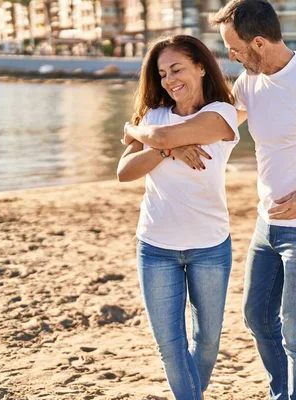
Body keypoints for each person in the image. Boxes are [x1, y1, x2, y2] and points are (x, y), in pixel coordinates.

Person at [127, 1, 296, 397]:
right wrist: (171, 144)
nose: (230, 56)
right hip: (268, 225)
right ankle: (282, 392)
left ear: (258, 42)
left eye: (235, 47)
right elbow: (215, 125)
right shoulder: (250, 83)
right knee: (257, 319)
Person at [116, 35, 239, 400]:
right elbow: (124, 171)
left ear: (201, 67)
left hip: (210, 247)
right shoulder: (154, 113)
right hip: (156, 246)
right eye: (163, 73)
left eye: (177, 69)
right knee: (170, 345)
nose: (170, 79)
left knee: (208, 339)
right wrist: (168, 149)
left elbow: (159, 134)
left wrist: (139, 133)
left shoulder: (221, 115)